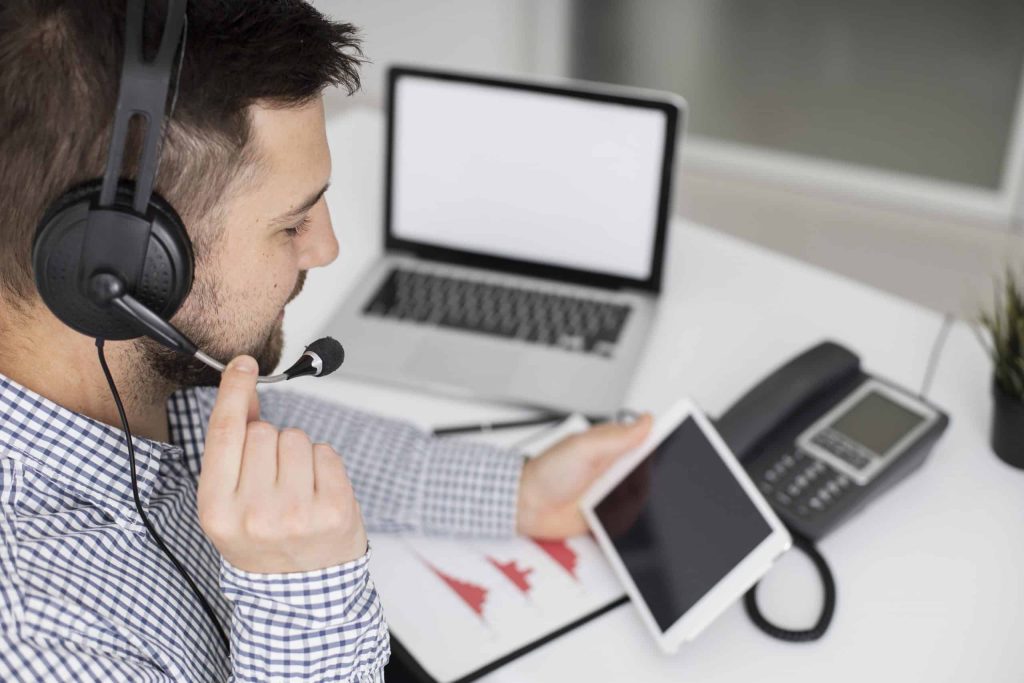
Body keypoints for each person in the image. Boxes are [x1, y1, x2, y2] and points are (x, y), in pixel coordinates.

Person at [0, 1, 652, 681]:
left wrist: (520, 492)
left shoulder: (148, 374)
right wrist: (304, 596)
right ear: (120, 265)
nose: (327, 247)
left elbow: (265, 434)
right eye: (291, 224)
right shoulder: (39, 643)